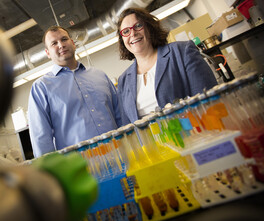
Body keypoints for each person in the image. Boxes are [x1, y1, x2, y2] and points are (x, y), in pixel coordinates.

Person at [28, 26, 122, 158]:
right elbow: (41, 139)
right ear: (48, 53)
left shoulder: (99, 75)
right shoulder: (41, 87)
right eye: (54, 43)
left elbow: (120, 116)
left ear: (73, 43)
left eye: (64, 39)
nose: (61, 45)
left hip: (120, 155)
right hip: (81, 168)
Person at [116, 8, 217, 124]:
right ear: (122, 39)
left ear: (149, 27)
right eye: (125, 31)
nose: (133, 33)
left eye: (138, 26)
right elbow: (128, 126)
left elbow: (209, 98)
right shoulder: (123, 81)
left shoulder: (181, 52)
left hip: (195, 134)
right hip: (153, 141)